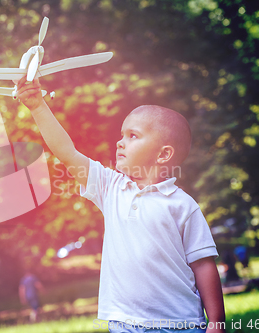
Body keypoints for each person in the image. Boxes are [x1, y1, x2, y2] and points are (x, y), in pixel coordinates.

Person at [15, 76, 225, 333]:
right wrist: (37, 106)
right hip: (124, 325)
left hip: (179, 324)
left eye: (132, 135)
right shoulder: (111, 188)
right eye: (121, 135)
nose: (120, 142)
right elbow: (67, 153)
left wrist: (216, 323)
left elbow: (203, 264)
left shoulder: (182, 205)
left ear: (163, 154)